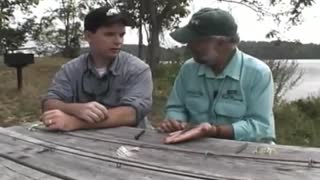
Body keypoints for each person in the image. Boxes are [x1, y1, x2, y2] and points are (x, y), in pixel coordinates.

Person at [159, 8, 275, 144]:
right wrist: (176, 122)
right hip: (195, 148)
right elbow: (176, 107)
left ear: (221, 42)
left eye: (196, 41)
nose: (189, 45)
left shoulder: (258, 73)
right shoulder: (188, 69)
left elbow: (260, 127)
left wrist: (214, 131)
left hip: (246, 152)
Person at [40, 7, 153, 131]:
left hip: (130, 142)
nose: (118, 41)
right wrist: (76, 109)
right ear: (88, 36)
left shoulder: (138, 69)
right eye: (109, 34)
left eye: (121, 35)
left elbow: (131, 113)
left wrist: (75, 122)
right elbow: (49, 103)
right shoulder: (71, 69)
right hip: (78, 142)